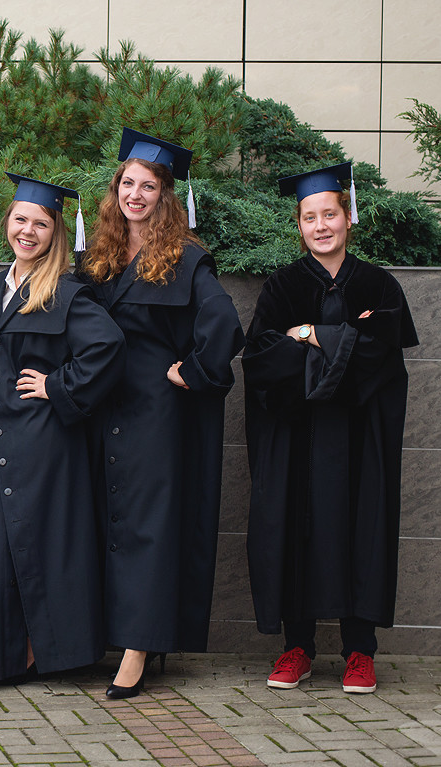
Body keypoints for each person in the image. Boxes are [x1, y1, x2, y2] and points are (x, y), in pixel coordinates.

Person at [78, 129, 244, 699]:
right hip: (102, 406)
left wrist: (192, 371)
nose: (136, 194)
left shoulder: (187, 259)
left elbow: (224, 323)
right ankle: (112, 637)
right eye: (128, 183)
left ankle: (138, 649)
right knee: (109, 522)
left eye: (148, 186)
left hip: (154, 414)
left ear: (165, 196)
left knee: (148, 528)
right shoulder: (98, 258)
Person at [243, 163, 417, 694]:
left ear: (348, 217)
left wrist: (310, 334)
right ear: (298, 225)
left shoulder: (378, 285)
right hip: (298, 436)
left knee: (361, 531)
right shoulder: (282, 285)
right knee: (294, 529)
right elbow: (261, 360)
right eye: (309, 217)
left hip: (360, 439)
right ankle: (297, 648)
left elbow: (382, 358)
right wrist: (343, 337)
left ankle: (360, 652)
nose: (321, 226)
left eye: (330, 215)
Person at [0, 174, 126, 685]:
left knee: (46, 544)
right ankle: (9, 653)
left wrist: (57, 385)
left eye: (41, 224)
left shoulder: (65, 291)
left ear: (56, 232)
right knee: (1, 548)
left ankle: (52, 651)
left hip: (44, 441)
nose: (28, 231)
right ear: (7, 223)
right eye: (20, 220)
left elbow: (107, 347)